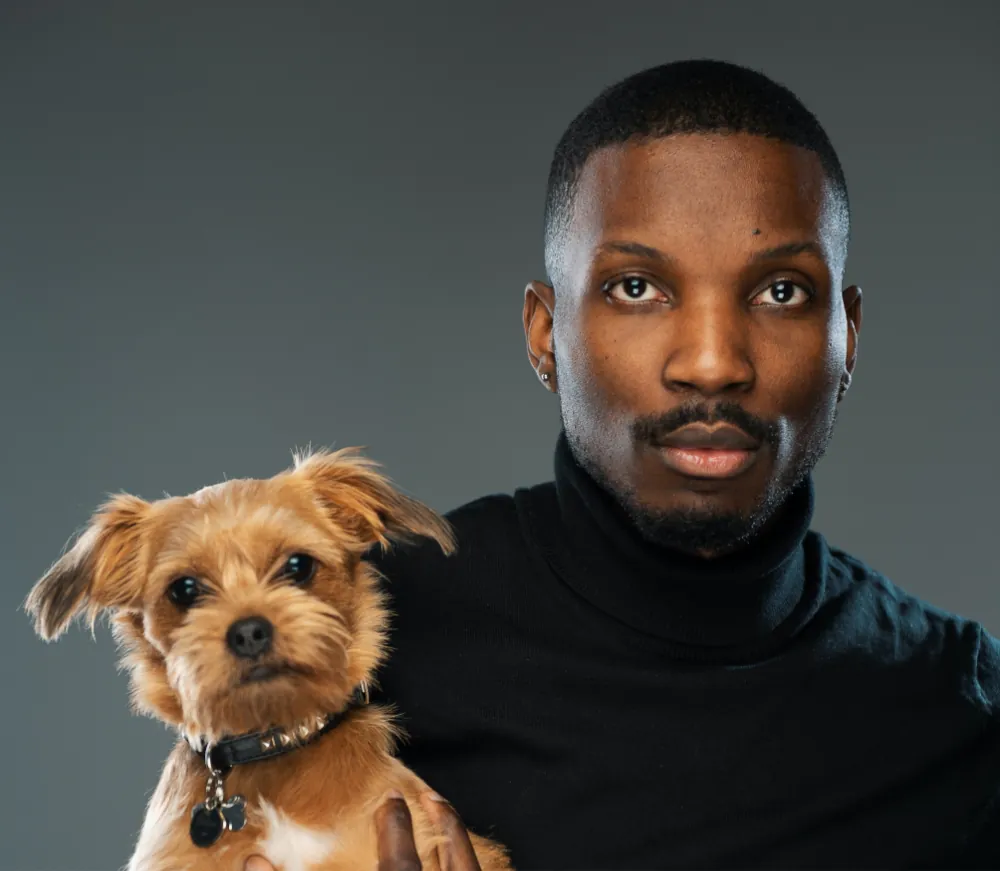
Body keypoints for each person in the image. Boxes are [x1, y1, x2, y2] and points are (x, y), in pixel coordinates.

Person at [246, 59, 1000, 869]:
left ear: (846, 338)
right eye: (637, 287)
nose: (712, 364)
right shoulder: (355, 639)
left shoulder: (959, 705)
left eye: (780, 291)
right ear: (545, 335)